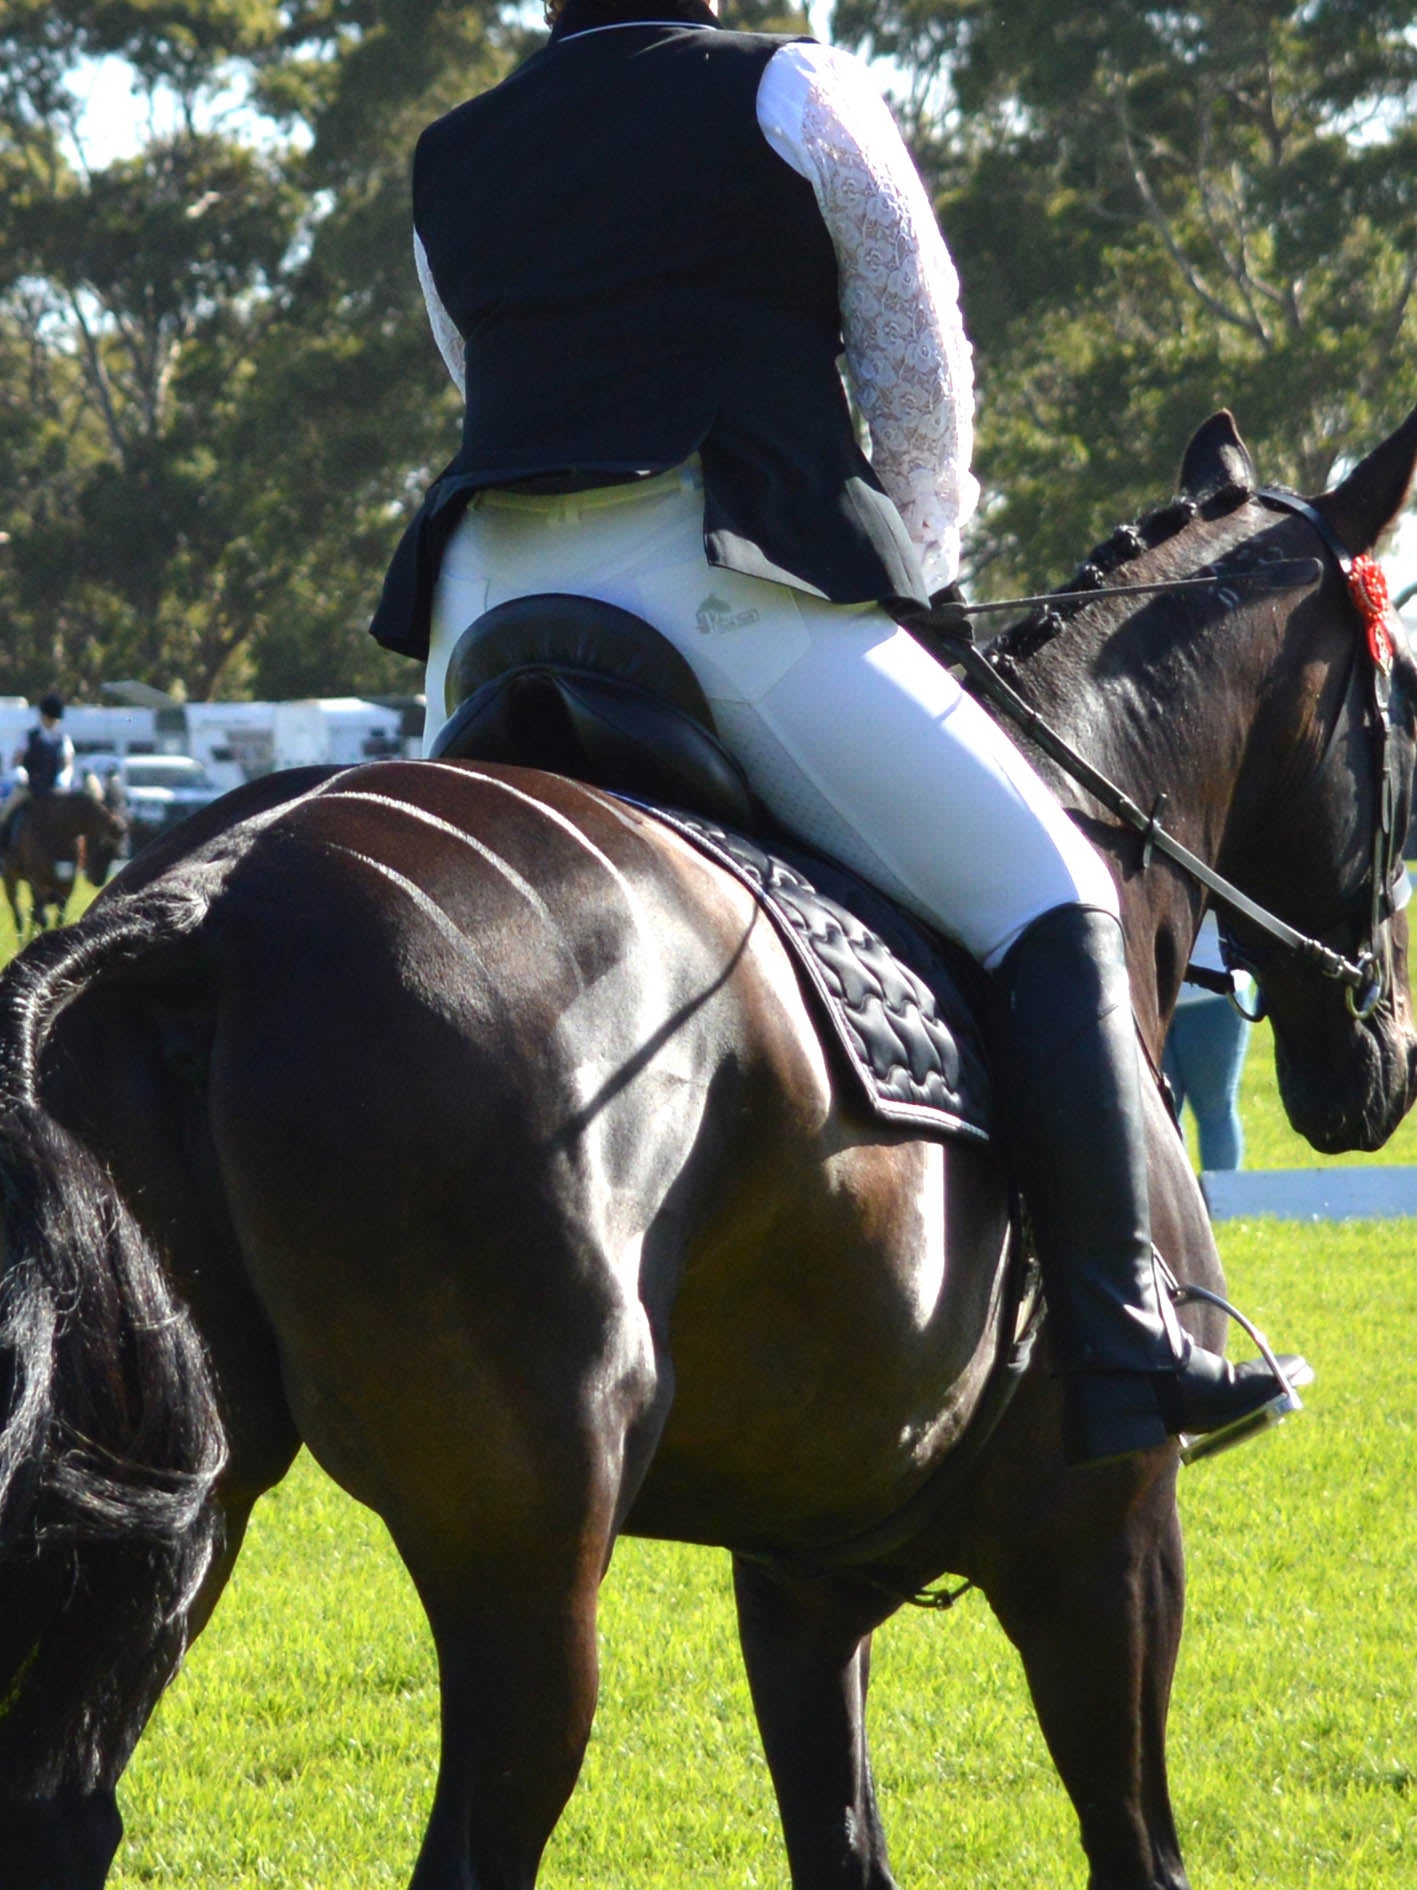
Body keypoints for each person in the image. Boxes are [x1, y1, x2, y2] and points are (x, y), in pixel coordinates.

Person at [370, 0, 1307, 1466]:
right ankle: (1130, 1342)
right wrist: (921, 578)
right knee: (1052, 886)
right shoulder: (788, 89)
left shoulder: (449, 154)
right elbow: (917, 358)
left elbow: (471, 368)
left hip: (485, 608)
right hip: (726, 579)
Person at [1164, 913, 1253, 1172]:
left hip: (1210, 990)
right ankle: (1196, 1209)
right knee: (1176, 1116)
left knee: (1212, 1112)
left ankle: (1221, 1207)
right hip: (1158, 991)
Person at [0, 693, 75, 847]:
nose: (52, 722)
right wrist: (21, 771)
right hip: (29, 787)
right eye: (49, 718)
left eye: (55, 719)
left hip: (55, 789)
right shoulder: (28, 736)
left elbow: (68, 763)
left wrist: (65, 776)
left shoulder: (64, 740)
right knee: (6, 813)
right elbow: (17, 760)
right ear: (43, 717)